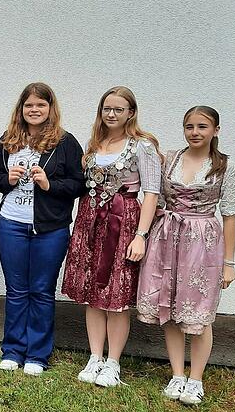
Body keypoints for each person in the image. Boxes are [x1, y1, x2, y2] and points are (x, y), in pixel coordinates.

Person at [136, 106, 235, 405]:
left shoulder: (225, 166)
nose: (195, 132)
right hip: (167, 236)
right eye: (189, 126)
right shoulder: (169, 159)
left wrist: (228, 264)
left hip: (203, 244)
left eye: (202, 127)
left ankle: (196, 379)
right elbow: (157, 198)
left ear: (215, 130)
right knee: (169, 309)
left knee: (200, 313)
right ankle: (177, 374)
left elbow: (230, 216)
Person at [61, 86, 161, 387]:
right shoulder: (96, 143)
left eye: (118, 109)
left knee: (116, 297)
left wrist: (141, 235)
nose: (112, 114)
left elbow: (152, 193)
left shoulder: (142, 146)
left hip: (124, 223)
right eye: (107, 108)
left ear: (131, 112)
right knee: (93, 294)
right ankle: (95, 357)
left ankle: (113, 362)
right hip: (90, 220)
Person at [0, 82, 85, 374]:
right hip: (11, 224)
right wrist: (9, 179)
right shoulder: (9, 139)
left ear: (50, 108)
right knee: (16, 290)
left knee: (42, 291)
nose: (34, 110)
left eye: (40, 105)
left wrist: (48, 184)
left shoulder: (65, 142)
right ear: (21, 109)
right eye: (29, 105)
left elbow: (80, 184)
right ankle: (13, 350)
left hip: (50, 229)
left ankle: (37, 355)